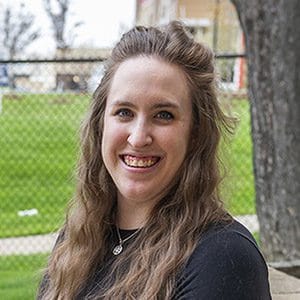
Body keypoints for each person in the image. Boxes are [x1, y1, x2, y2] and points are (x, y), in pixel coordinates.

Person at [37, 21, 271, 299]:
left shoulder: (222, 258)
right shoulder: (79, 241)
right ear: (101, 125)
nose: (138, 138)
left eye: (163, 115)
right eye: (124, 112)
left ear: (195, 133)